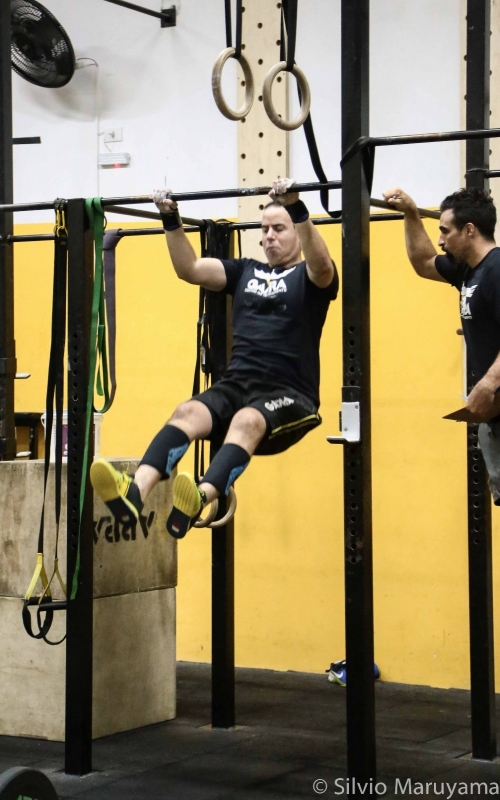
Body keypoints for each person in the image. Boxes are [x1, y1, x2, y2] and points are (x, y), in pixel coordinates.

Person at [90, 178, 339, 537]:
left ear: (297, 233)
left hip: (289, 395)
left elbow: (323, 263)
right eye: (264, 229)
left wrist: (299, 208)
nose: (268, 236)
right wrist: (170, 218)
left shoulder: (311, 277)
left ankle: (202, 496)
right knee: (187, 412)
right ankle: (134, 491)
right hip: (237, 384)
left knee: (248, 420)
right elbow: (189, 269)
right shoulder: (244, 271)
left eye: (279, 228)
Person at [383, 185, 500, 504]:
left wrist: (489, 383)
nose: (440, 239)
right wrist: (410, 213)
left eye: (445, 231)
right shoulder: (468, 271)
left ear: (470, 230)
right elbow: (423, 262)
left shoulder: (497, 269)